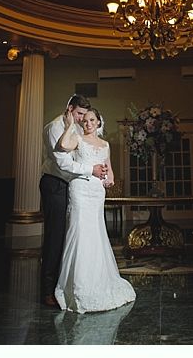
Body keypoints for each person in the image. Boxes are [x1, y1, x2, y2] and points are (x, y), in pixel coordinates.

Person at [54, 107, 136, 313]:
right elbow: (63, 145)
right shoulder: (77, 138)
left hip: (97, 192)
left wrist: (109, 180)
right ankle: (77, 287)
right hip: (80, 189)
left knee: (96, 234)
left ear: (99, 122)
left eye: (92, 120)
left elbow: (110, 174)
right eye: (85, 120)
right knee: (79, 233)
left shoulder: (105, 145)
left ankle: (98, 281)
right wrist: (69, 125)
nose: (88, 123)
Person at [40, 94, 108, 307]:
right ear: (69, 109)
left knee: (72, 236)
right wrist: (92, 170)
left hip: (74, 185)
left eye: (84, 116)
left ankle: (70, 282)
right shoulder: (54, 128)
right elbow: (63, 162)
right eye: (78, 114)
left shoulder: (78, 127)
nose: (81, 119)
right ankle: (47, 290)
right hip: (55, 184)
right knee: (55, 236)